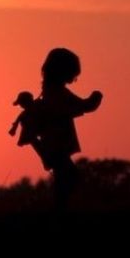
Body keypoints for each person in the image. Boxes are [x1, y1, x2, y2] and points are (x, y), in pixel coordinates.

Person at [26, 48, 103, 209]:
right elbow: (80, 106)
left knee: (66, 178)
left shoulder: (49, 91)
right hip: (56, 145)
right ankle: (59, 212)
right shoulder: (56, 93)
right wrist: (95, 99)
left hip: (54, 144)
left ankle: (60, 210)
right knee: (69, 178)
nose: (74, 78)